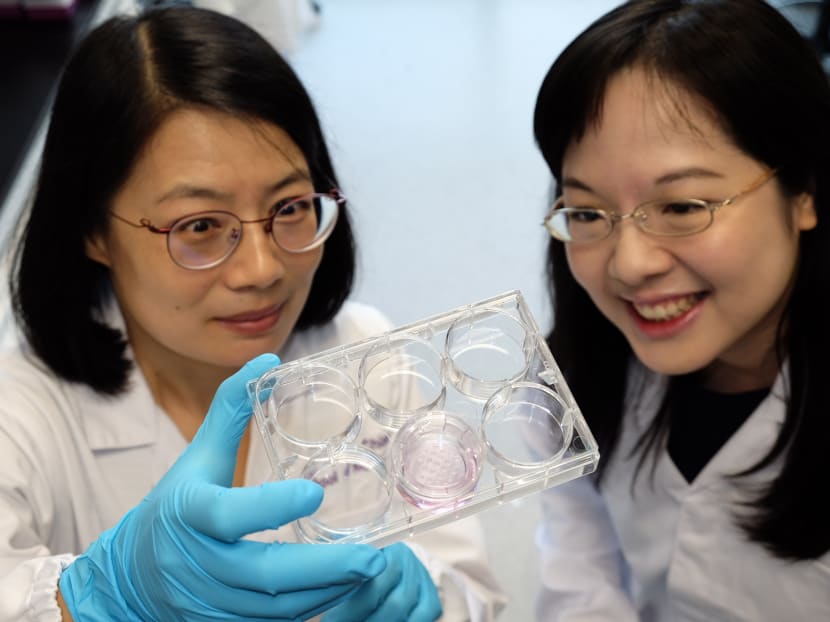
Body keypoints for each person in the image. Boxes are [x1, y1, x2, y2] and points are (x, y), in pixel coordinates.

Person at [0, 6, 504, 620]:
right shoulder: (18, 418)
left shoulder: (371, 356)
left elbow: (471, 587)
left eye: (289, 208)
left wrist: (431, 596)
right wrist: (97, 601)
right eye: (200, 226)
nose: (262, 269)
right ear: (93, 229)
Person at [531, 0, 830, 619]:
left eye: (682, 207)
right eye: (587, 212)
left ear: (804, 190)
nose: (629, 264)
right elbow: (583, 583)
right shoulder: (572, 379)